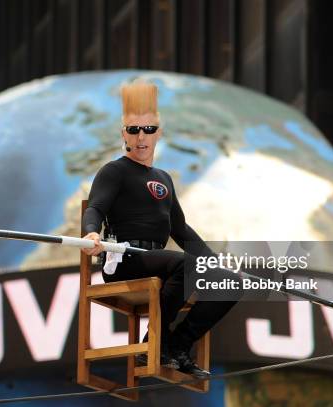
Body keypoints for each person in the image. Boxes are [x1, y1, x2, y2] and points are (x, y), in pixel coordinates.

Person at [81, 80, 239, 378]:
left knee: (230, 282)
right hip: (125, 259)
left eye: (149, 130)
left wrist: (213, 261)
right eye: (134, 129)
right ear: (123, 133)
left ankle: (178, 345)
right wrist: (91, 232)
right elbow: (95, 208)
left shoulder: (164, 178)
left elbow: (180, 229)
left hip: (159, 261)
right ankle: (156, 341)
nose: (142, 137)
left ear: (159, 133)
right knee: (184, 265)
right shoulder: (114, 171)